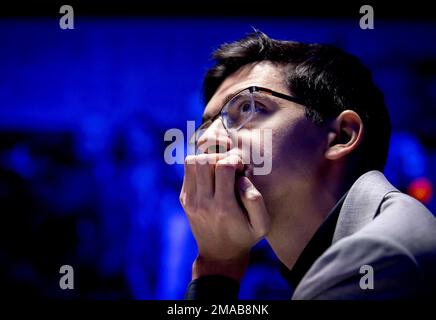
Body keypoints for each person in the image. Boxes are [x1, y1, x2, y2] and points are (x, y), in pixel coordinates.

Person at [179, 31, 436, 300]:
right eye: (205, 125)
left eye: (247, 108)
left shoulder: (372, 260)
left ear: (341, 136)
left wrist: (215, 273)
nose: (207, 140)